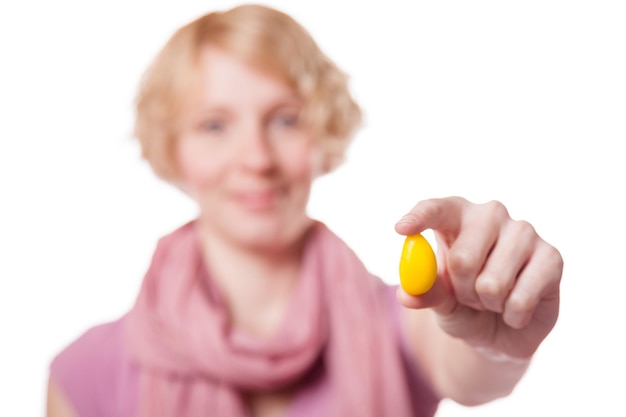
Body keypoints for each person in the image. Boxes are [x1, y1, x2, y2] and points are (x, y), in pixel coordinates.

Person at [46, 4, 563, 417]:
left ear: (324, 132)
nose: (256, 159)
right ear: (172, 148)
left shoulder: (405, 321)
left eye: (285, 120)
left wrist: (495, 339)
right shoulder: (85, 374)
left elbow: (471, 364)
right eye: (213, 125)